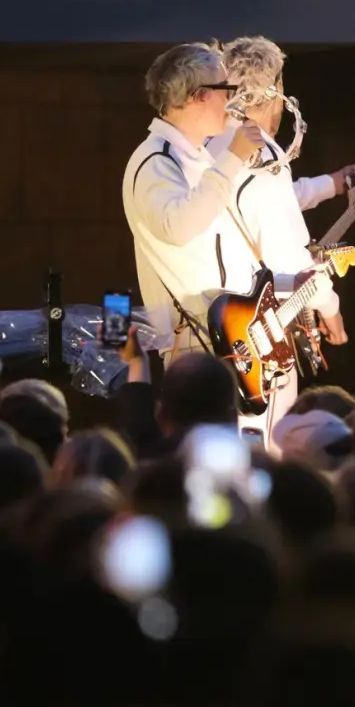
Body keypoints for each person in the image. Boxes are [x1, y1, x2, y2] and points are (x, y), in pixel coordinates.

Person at [208, 37, 355, 444]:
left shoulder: (211, 145)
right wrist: (330, 307)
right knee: (265, 450)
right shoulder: (260, 152)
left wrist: (334, 184)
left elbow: (268, 202)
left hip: (215, 322)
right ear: (271, 92)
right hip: (257, 332)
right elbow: (293, 262)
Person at [122, 42, 266, 444]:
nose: (231, 101)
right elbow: (179, 227)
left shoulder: (192, 157)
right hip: (196, 340)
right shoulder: (155, 161)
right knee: (203, 454)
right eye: (225, 90)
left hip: (222, 336)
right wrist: (232, 159)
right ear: (198, 95)